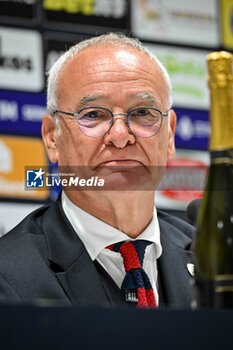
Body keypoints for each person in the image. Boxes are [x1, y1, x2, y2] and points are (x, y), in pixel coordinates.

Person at [0, 33, 194, 308]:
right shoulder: (8, 276)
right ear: (52, 138)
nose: (119, 135)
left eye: (142, 113)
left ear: (170, 135)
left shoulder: (216, 259)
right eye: (93, 114)